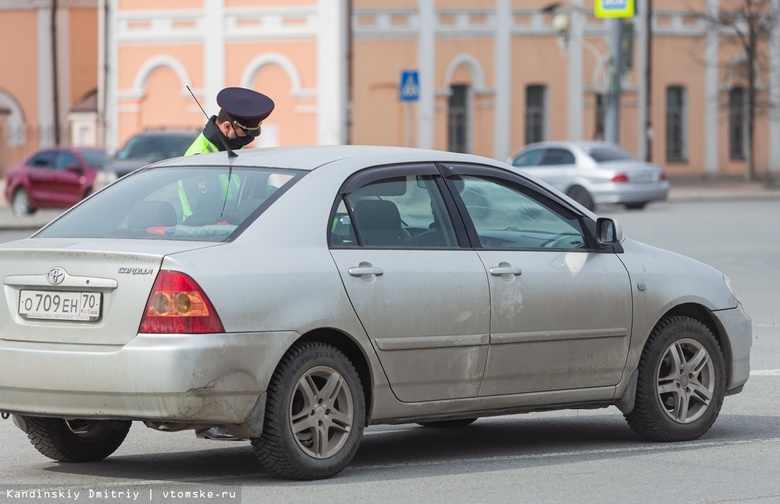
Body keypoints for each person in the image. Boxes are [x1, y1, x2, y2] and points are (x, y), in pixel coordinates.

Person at [186, 87, 274, 441]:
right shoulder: (201, 159)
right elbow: (205, 218)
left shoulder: (223, 152)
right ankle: (211, 415)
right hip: (205, 255)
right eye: (245, 134)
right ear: (227, 127)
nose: (248, 142)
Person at [185, 86, 275, 155]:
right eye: (245, 132)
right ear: (227, 127)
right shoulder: (200, 157)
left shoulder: (231, 149)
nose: (248, 139)